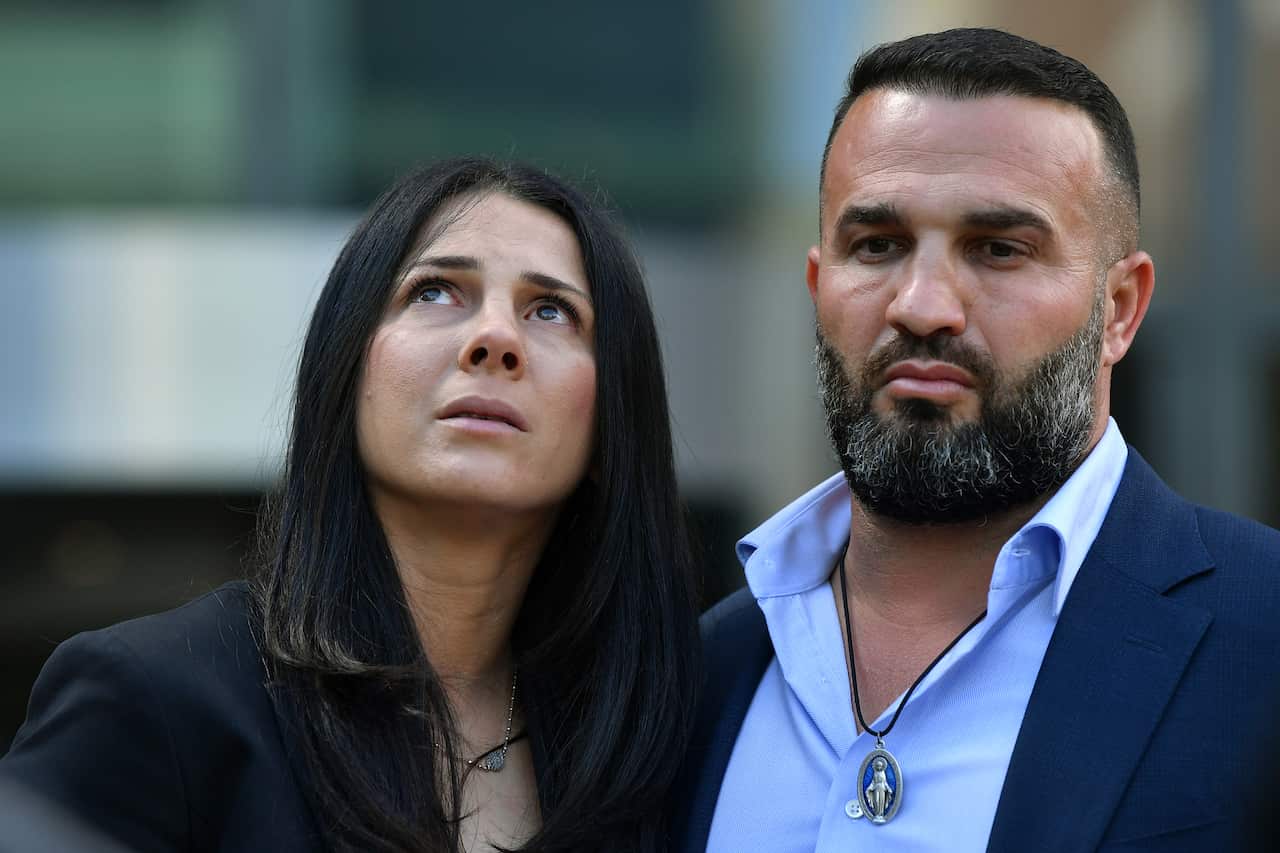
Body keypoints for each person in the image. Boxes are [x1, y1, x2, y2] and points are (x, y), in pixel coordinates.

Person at [669, 28, 1280, 852]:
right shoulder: (696, 675)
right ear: (820, 286)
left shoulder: (1262, 634)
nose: (923, 305)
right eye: (877, 245)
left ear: (1121, 309)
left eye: (998, 249)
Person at [1, 158, 700, 853]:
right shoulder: (156, 700)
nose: (496, 339)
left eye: (551, 310)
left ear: (612, 420)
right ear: (345, 368)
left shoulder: (658, 755)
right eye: (434, 292)